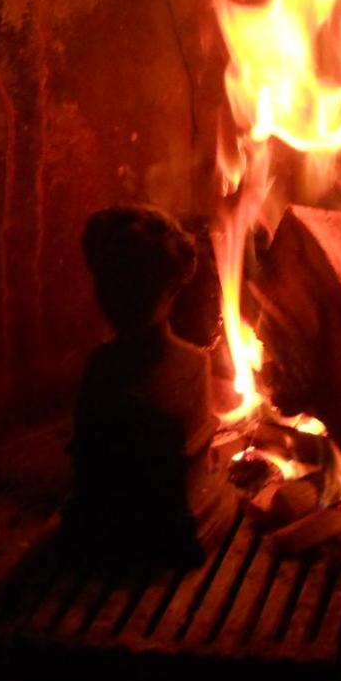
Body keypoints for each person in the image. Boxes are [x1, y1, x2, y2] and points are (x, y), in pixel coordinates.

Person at [62, 204, 236, 564]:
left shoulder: (187, 369)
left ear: (170, 289)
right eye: (107, 283)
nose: (115, 299)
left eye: (136, 287)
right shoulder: (101, 372)